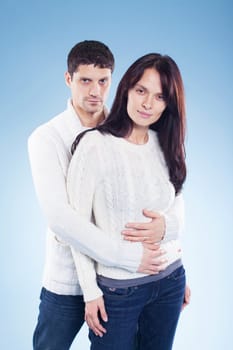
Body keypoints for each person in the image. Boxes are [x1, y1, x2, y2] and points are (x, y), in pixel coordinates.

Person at [28, 41, 183, 350]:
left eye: (103, 81)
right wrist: (129, 259)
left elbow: (155, 202)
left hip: (122, 280)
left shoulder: (128, 129)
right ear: (68, 79)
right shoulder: (46, 138)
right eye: (85, 80)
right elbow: (61, 219)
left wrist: (167, 267)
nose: (95, 91)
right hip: (69, 280)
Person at [67, 52, 188, 350]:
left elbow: (176, 207)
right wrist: (90, 292)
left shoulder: (164, 144)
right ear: (126, 89)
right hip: (118, 292)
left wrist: (168, 233)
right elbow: (75, 227)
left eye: (160, 97)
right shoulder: (94, 144)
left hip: (170, 280)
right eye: (141, 91)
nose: (148, 104)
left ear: (168, 105)